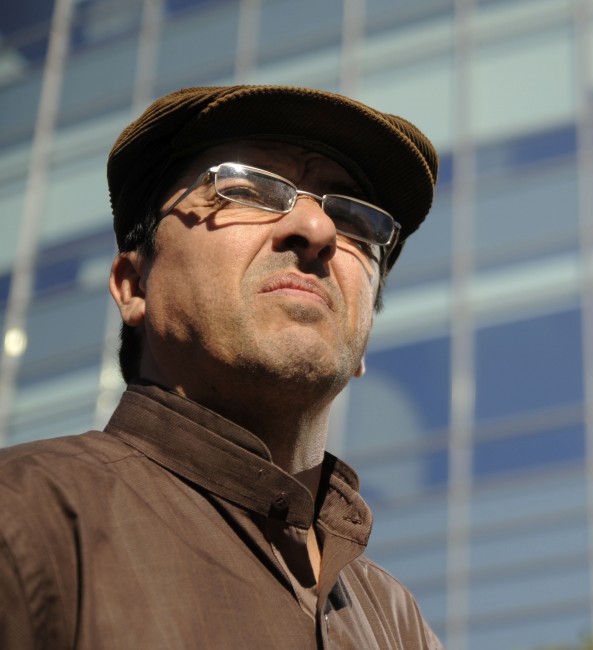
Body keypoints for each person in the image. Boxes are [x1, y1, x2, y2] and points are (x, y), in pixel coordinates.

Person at [0, 85, 442, 649]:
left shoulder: (403, 628)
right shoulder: (26, 518)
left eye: (354, 217)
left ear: (362, 344)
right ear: (134, 285)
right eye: (248, 188)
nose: (318, 229)